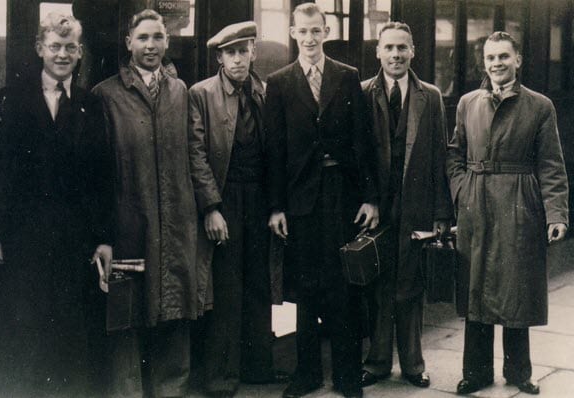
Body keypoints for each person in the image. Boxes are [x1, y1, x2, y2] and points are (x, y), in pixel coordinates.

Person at [0, 13, 113, 396]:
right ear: (40, 49)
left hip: (75, 235)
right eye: (55, 46)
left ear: (80, 52)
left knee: (71, 327)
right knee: (26, 323)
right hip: (25, 233)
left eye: (70, 47)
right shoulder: (12, 98)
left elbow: (103, 176)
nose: (62, 54)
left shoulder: (91, 104)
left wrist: (104, 238)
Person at [264, 3, 378, 398]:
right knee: (305, 288)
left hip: (341, 196)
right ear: (293, 34)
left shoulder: (347, 77)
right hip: (300, 200)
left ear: (326, 31)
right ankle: (307, 373)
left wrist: (370, 198)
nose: (310, 39)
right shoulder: (278, 83)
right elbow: (274, 150)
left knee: (343, 286)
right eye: (303, 32)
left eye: (316, 31)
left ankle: (347, 375)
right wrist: (276, 206)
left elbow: (363, 141)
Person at [446, 31, 568, 396]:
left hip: (519, 204)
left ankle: (519, 371)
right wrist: (462, 189)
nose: (496, 63)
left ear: (518, 60)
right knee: (476, 287)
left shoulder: (540, 105)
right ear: (483, 62)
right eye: (490, 57)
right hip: (476, 203)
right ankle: (475, 372)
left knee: (517, 289)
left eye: (503, 56)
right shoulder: (468, 103)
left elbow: (551, 164)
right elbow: (454, 154)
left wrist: (556, 213)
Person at [92, 9, 205, 398]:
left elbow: (195, 153)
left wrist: (209, 207)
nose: (151, 45)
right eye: (142, 38)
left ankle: (171, 391)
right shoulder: (106, 96)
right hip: (129, 222)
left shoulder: (180, 91)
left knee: (174, 309)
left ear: (168, 41)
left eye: (158, 37)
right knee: (127, 313)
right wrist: (105, 229)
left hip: (176, 220)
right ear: (128, 43)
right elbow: (98, 171)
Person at [188, 21, 288, 397]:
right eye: (230, 52)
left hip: (259, 199)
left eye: (244, 51)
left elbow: (275, 151)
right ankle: (220, 376)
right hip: (225, 196)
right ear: (219, 57)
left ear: (253, 54)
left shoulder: (263, 91)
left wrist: (275, 204)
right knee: (226, 288)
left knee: (259, 283)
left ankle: (258, 366)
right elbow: (196, 154)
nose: (238, 59)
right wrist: (211, 206)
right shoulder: (202, 94)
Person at [360, 21, 453, 390]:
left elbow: (440, 157)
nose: (395, 55)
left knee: (411, 283)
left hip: (415, 204)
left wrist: (442, 212)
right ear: (378, 52)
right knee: (379, 281)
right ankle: (378, 361)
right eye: (389, 48)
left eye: (402, 48)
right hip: (376, 207)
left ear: (413, 51)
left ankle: (413, 364)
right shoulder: (363, 93)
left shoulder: (430, 96)